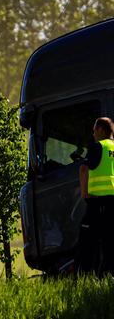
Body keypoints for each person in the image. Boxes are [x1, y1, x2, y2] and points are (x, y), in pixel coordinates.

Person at [77, 117, 114, 275]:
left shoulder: (98, 146)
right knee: (109, 242)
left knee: (87, 242)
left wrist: (84, 193)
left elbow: (83, 169)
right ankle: (107, 276)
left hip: (97, 202)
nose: (93, 134)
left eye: (94, 131)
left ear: (100, 130)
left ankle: (84, 278)